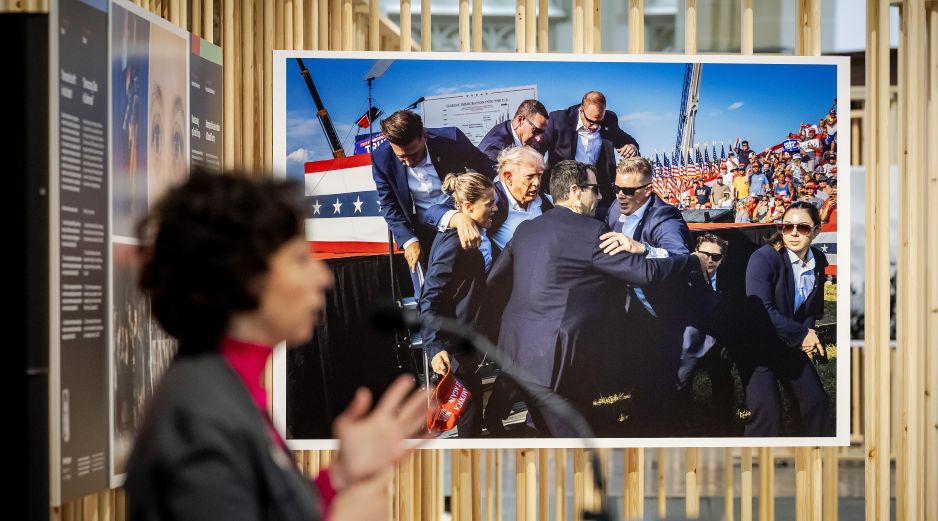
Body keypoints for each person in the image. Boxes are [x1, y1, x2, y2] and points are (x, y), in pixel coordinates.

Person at [125, 171, 429, 521]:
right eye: (301, 259)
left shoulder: (227, 391)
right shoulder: (198, 421)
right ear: (245, 274)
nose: (323, 277)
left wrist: (340, 476)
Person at [485, 160, 707, 436]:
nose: (602, 197)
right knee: (570, 442)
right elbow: (644, 273)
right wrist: (691, 261)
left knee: (542, 423)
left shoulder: (526, 229)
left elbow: (494, 280)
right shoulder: (592, 233)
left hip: (516, 345)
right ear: (576, 191)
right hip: (555, 356)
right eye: (596, 189)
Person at [603, 157, 699, 435]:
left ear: (648, 189)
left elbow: (681, 257)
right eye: (617, 188)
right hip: (633, 310)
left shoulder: (664, 217)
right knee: (641, 372)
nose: (621, 195)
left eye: (629, 190)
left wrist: (642, 248)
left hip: (666, 313)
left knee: (667, 380)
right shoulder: (615, 207)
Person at [370, 110, 497, 288]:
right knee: (425, 293)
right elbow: (389, 205)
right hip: (420, 233)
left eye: (414, 154)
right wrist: (409, 241)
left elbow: (486, 167)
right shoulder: (380, 158)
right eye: (401, 157)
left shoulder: (452, 139)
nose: (409, 162)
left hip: (463, 222)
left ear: (424, 136)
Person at [418, 172, 498, 438]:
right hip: (454, 348)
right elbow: (429, 296)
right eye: (490, 203)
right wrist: (435, 346)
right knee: (469, 417)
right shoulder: (454, 240)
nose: (495, 208)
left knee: (471, 415)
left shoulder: (474, 230)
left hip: (466, 341)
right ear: (467, 207)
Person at [740, 201, 831, 436]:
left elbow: (811, 308)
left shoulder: (819, 260)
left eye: (802, 227)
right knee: (768, 418)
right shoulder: (764, 258)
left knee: (816, 402)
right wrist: (802, 335)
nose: (793, 233)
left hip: (790, 344)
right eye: (786, 226)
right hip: (758, 346)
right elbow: (761, 311)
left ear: (816, 231)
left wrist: (808, 336)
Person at [676, 234, 740, 436]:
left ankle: (721, 424)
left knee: (722, 376)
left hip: (718, 339)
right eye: (705, 255)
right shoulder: (681, 277)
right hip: (688, 340)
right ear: (695, 253)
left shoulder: (732, 281)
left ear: (723, 259)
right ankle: (679, 420)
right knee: (681, 380)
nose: (710, 260)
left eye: (716, 256)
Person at [543, 91, 640, 213]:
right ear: (581, 111)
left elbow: (629, 141)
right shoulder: (558, 120)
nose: (595, 127)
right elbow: (539, 148)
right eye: (591, 122)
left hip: (596, 191)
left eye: (599, 122)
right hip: (564, 189)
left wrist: (632, 147)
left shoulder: (610, 119)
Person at [478, 99, 549, 164]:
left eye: (542, 132)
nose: (539, 138)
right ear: (520, 120)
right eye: (536, 130)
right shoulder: (496, 149)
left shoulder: (522, 138)